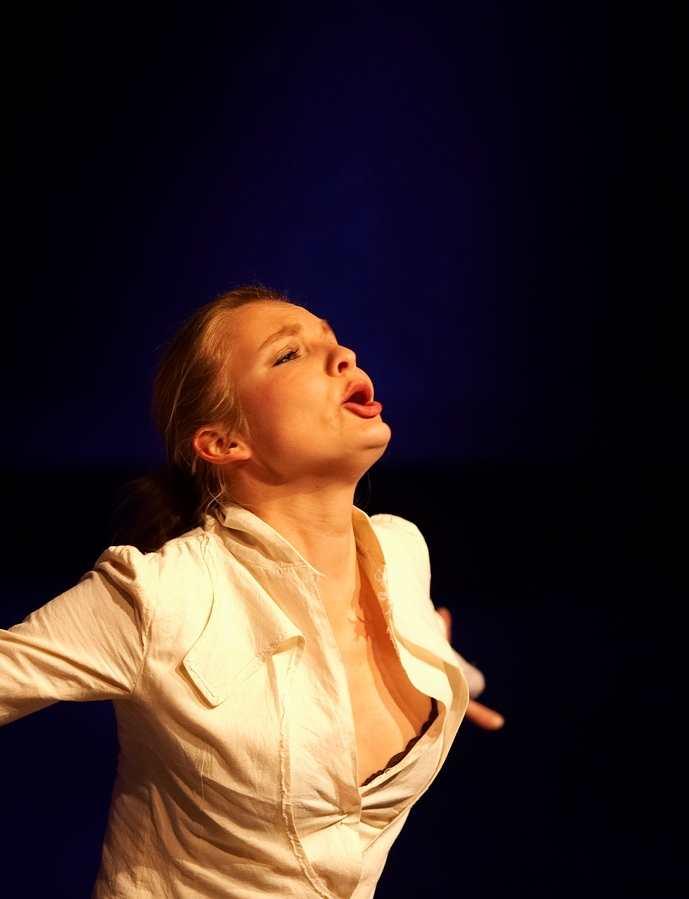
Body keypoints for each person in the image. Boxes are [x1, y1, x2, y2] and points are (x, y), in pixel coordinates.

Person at [0, 286, 503, 898]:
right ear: (224, 442)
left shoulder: (401, 553)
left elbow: (424, 639)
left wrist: (453, 675)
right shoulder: (160, 596)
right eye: (289, 354)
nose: (343, 355)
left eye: (333, 339)